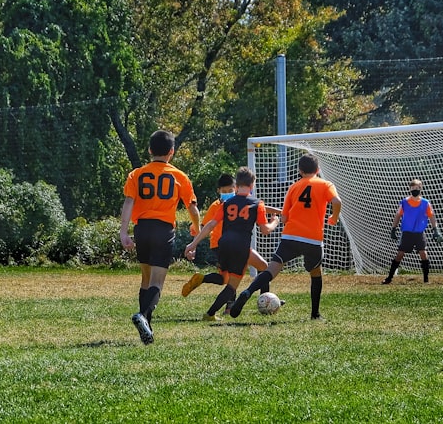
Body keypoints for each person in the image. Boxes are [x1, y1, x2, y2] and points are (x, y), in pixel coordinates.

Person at [230, 153, 342, 320]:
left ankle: (248, 291)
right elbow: (337, 201)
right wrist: (334, 217)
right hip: (312, 239)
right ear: (318, 170)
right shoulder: (326, 184)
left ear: (300, 171)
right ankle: (315, 314)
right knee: (315, 273)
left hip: (290, 236)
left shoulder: (293, 187)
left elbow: (284, 217)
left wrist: (279, 219)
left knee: (272, 269)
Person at [119, 130, 201, 344]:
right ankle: (143, 315)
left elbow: (128, 202)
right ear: (171, 152)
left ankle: (147, 328)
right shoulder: (179, 176)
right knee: (157, 281)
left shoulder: (136, 174)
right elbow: (192, 208)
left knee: (146, 279)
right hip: (163, 230)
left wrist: (123, 232)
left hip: (142, 229)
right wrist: (196, 228)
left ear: (149, 150)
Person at [184, 167, 280, 320]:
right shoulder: (257, 204)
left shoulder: (226, 203)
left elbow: (210, 225)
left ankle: (264, 299)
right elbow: (265, 230)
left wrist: (193, 244)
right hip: (240, 246)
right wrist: (275, 221)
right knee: (232, 285)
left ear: (237, 185)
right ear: (252, 185)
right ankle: (211, 313)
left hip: (223, 245)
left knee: (255, 269)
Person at [382, 179, 442, 284]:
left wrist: (435, 230)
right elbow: (398, 215)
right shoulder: (404, 202)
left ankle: (426, 279)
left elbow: (432, 216)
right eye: (413, 188)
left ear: (421, 189)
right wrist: (393, 229)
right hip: (407, 233)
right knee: (400, 254)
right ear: (410, 189)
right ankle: (389, 278)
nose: (415, 190)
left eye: (417, 188)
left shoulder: (425, 203)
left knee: (424, 254)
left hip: (419, 233)